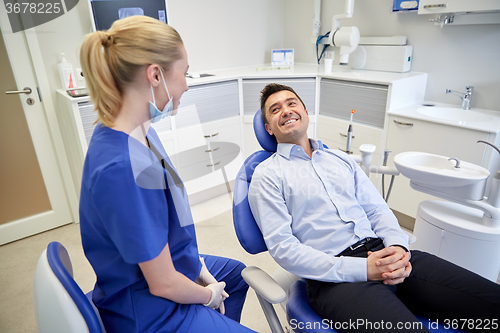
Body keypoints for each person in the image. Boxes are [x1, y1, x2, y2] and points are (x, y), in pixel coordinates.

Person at [248, 83, 500, 332]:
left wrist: (398, 247)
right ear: (269, 128)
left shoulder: (340, 159)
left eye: (292, 103)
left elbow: (377, 209)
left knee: (490, 301)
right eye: (275, 109)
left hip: (384, 251)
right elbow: (284, 249)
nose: (286, 110)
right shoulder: (268, 175)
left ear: (306, 113)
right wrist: (362, 269)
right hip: (335, 279)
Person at [78, 16, 256, 332]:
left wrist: (197, 265)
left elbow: (165, 222)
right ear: (155, 75)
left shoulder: (140, 131)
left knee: (236, 276)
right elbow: (162, 285)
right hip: (150, 310)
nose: (187, 84)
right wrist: (206, 295)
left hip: (169, 267)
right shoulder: (121, 167)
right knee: (219, 292)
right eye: (183, 73)